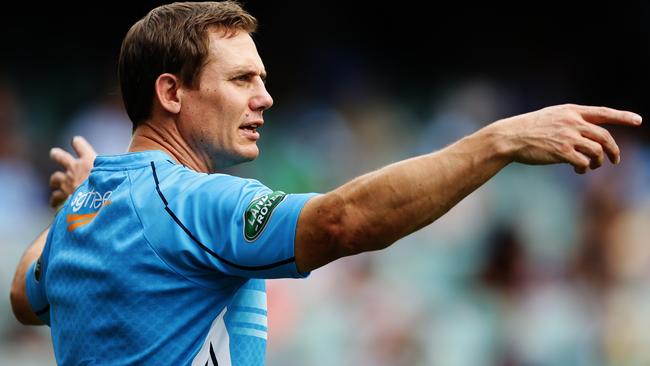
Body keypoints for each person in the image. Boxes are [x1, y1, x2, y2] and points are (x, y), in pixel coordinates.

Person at [9, 1, 643, 365]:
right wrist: (498, 140)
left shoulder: (84, 217)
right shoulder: (191, 204)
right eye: (241, 80)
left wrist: (79, 199)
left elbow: (25, 297)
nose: (266, 98)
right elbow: (343, 220)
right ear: (171, 93)